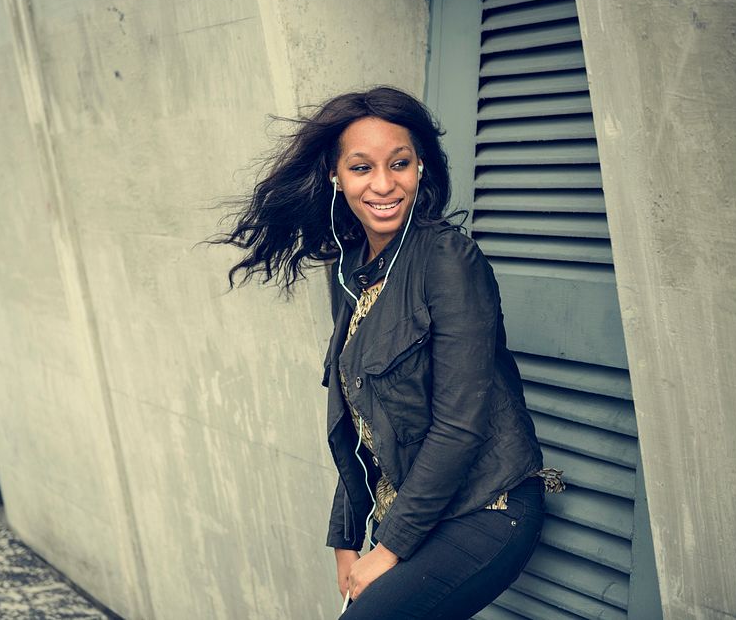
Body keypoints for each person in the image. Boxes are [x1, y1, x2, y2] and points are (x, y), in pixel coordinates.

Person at [215, 86, 563, 618]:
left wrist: (390, 547)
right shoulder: (349, 269)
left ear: (420, 166)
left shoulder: (449, 259)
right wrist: (347, 538)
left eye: (398, 163)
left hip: (485, 508)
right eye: (361, 168)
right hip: (413, 510)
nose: (383, 184)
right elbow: (357, 423)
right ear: (336, 176)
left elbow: (459, 426)